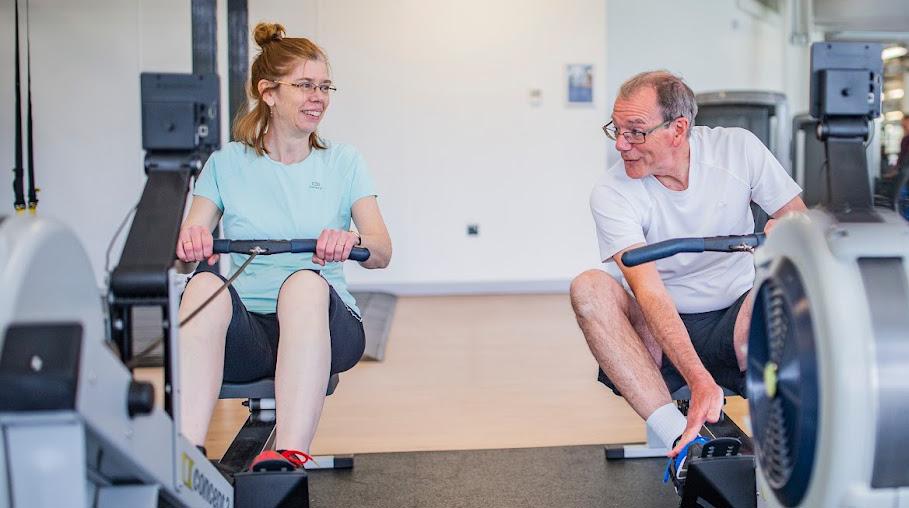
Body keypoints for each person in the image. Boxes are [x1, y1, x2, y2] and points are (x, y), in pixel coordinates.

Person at [569, 71, 806, 489]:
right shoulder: (612, 191)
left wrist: (778, 234)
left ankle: (784, 444)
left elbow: (796, 218)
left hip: (736, 310)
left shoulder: (738, 150)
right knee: (589, 287)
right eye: (617, 130)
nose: (621, 144)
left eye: (636, 132)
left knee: (782, 278)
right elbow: (649, 290)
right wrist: (698, 381)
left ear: (678, 129)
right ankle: (679, 442)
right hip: (659, 317)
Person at [176, 22, 392, 471]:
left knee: (304, 284)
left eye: (325, 86)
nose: (319, 97)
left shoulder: (343, 161)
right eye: (306, 85)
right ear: (268, 93)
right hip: (250, 334)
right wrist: (193, 244)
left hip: (328, 327)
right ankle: (186, 458)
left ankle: (289, 453)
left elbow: (381, 251)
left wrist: (352, 240)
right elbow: (186, 251)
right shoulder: (226, 163)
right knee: (201, 286)